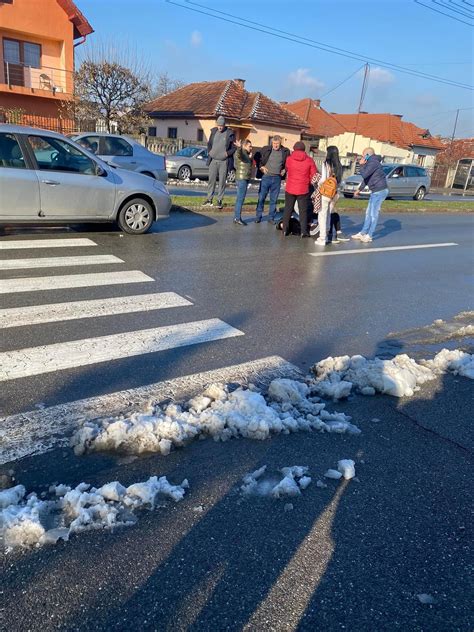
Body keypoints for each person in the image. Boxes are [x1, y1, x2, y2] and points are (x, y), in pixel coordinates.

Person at [352, 148, 389, 243]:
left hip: (379, 191)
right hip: (375, 191)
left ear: (368, 155)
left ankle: (369, 235)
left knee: (373, 214)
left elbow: (364, 174)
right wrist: (359, 189)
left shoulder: (373, 162)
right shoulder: (371, 162)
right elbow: (367, 178)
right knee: (368, 213)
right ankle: (363, 232)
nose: (362, 157)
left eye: (364, 155)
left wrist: (361, 165)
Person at [281, 141, 316, 238]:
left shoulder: (289, 159)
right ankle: (304, 231)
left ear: (294, 148)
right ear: (304, 149)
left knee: (288, 209)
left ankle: (285, 230)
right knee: (303, 211)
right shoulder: (309, 160)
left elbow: (287, 170)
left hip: (290, 187)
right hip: (303, 188)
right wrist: (308, 180)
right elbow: (314, 174)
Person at [255, 135, 290, 223]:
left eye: (277, 143)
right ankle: (258, 216)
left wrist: (285, 170)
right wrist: (261, 167)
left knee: (274, 199)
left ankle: (271, 217)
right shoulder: (266, 149)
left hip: (277, 178)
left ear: (280, 143)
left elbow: (288, 163)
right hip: (266, 177)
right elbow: (256, 157)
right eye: (274, 143)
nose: (275, 145)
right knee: (262, 197)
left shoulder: (285, 151)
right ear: (272, 143)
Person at [204, 116, 236, 209]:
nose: (220, 127)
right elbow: (209, 143)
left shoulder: (230, 133)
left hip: (223, 161)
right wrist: (210, 151)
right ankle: (209, 199)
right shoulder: (213, 132)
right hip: (213, 160)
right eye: (218, 125)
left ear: (224, 125)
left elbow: (234, 148)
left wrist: (227, 153)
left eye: (221, 125)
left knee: (222, 181)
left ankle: (219, 200)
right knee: (211, 180)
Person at [315, 145, 343, 246]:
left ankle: (322, 238)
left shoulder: (326, 164)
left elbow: (323, 179)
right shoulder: (339, 165)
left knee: (322, 215)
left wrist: (318, 184)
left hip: (326, 192)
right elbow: (339, 181)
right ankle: (328, 234)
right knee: (329, 214)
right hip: (335, 193)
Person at [232, 139, 253, 226]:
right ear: (244, 146)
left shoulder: (246, 154)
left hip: (243, 178)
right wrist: (239, 147)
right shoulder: (241, 152)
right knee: (240, 199)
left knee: (239, 198)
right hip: (242, 179)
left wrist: (250, 158)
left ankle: (236, 217)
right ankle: (237, 218)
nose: (251, 148)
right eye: (250, 146)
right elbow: (239, 154)